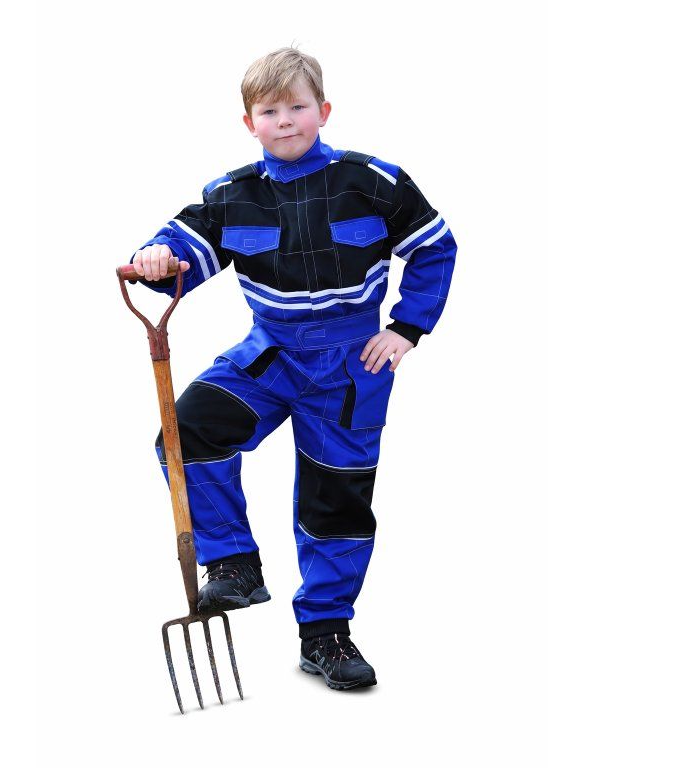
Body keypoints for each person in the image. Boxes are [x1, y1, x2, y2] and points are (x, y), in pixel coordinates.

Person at [125, 47, 457, 691]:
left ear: (323, 111)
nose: (285, 121)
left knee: (337, 502)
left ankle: (326, 634)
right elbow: (179, 248)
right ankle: (233, 565)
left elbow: (434, 247)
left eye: (298, 108)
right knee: (186, 436)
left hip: (351, 366)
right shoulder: (231, 196)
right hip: (271, 354)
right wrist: (155, 258)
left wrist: (406, 327)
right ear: (249, 123)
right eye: (270, 111)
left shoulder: (374, 181)